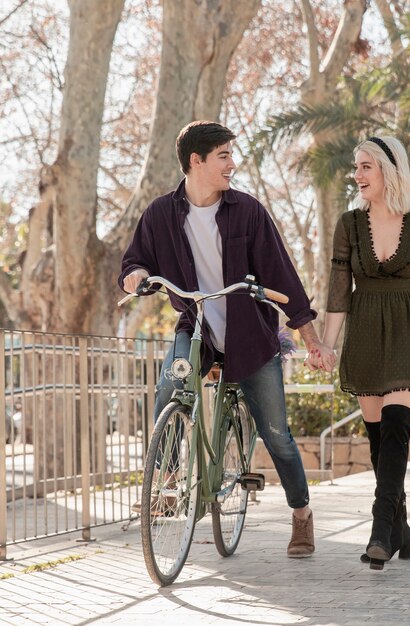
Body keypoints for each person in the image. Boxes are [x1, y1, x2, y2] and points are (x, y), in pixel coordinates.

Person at [119, 120, 334, 558]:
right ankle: (167, 483)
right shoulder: (161, 213)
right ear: (196, 161)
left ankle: (302, 515)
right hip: (194, 329)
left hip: (251, 337)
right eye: (224, 156)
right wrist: (136, 277)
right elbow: (132, 263)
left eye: (231, 155)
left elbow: (283, 278)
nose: (232, 164)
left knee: (278, 436)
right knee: (167, 391)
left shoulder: (247, 210)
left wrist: (310, 339)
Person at [310, 136, 410, 569]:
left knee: (396, 426)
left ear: (390, 169)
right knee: (378, 440)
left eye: (366, 166)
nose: (357, 174)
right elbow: (338, 293)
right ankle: (401, 529)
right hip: (366, 330)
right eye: (356, 166)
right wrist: (328, 345)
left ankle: (379, 530)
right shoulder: (349, 224)